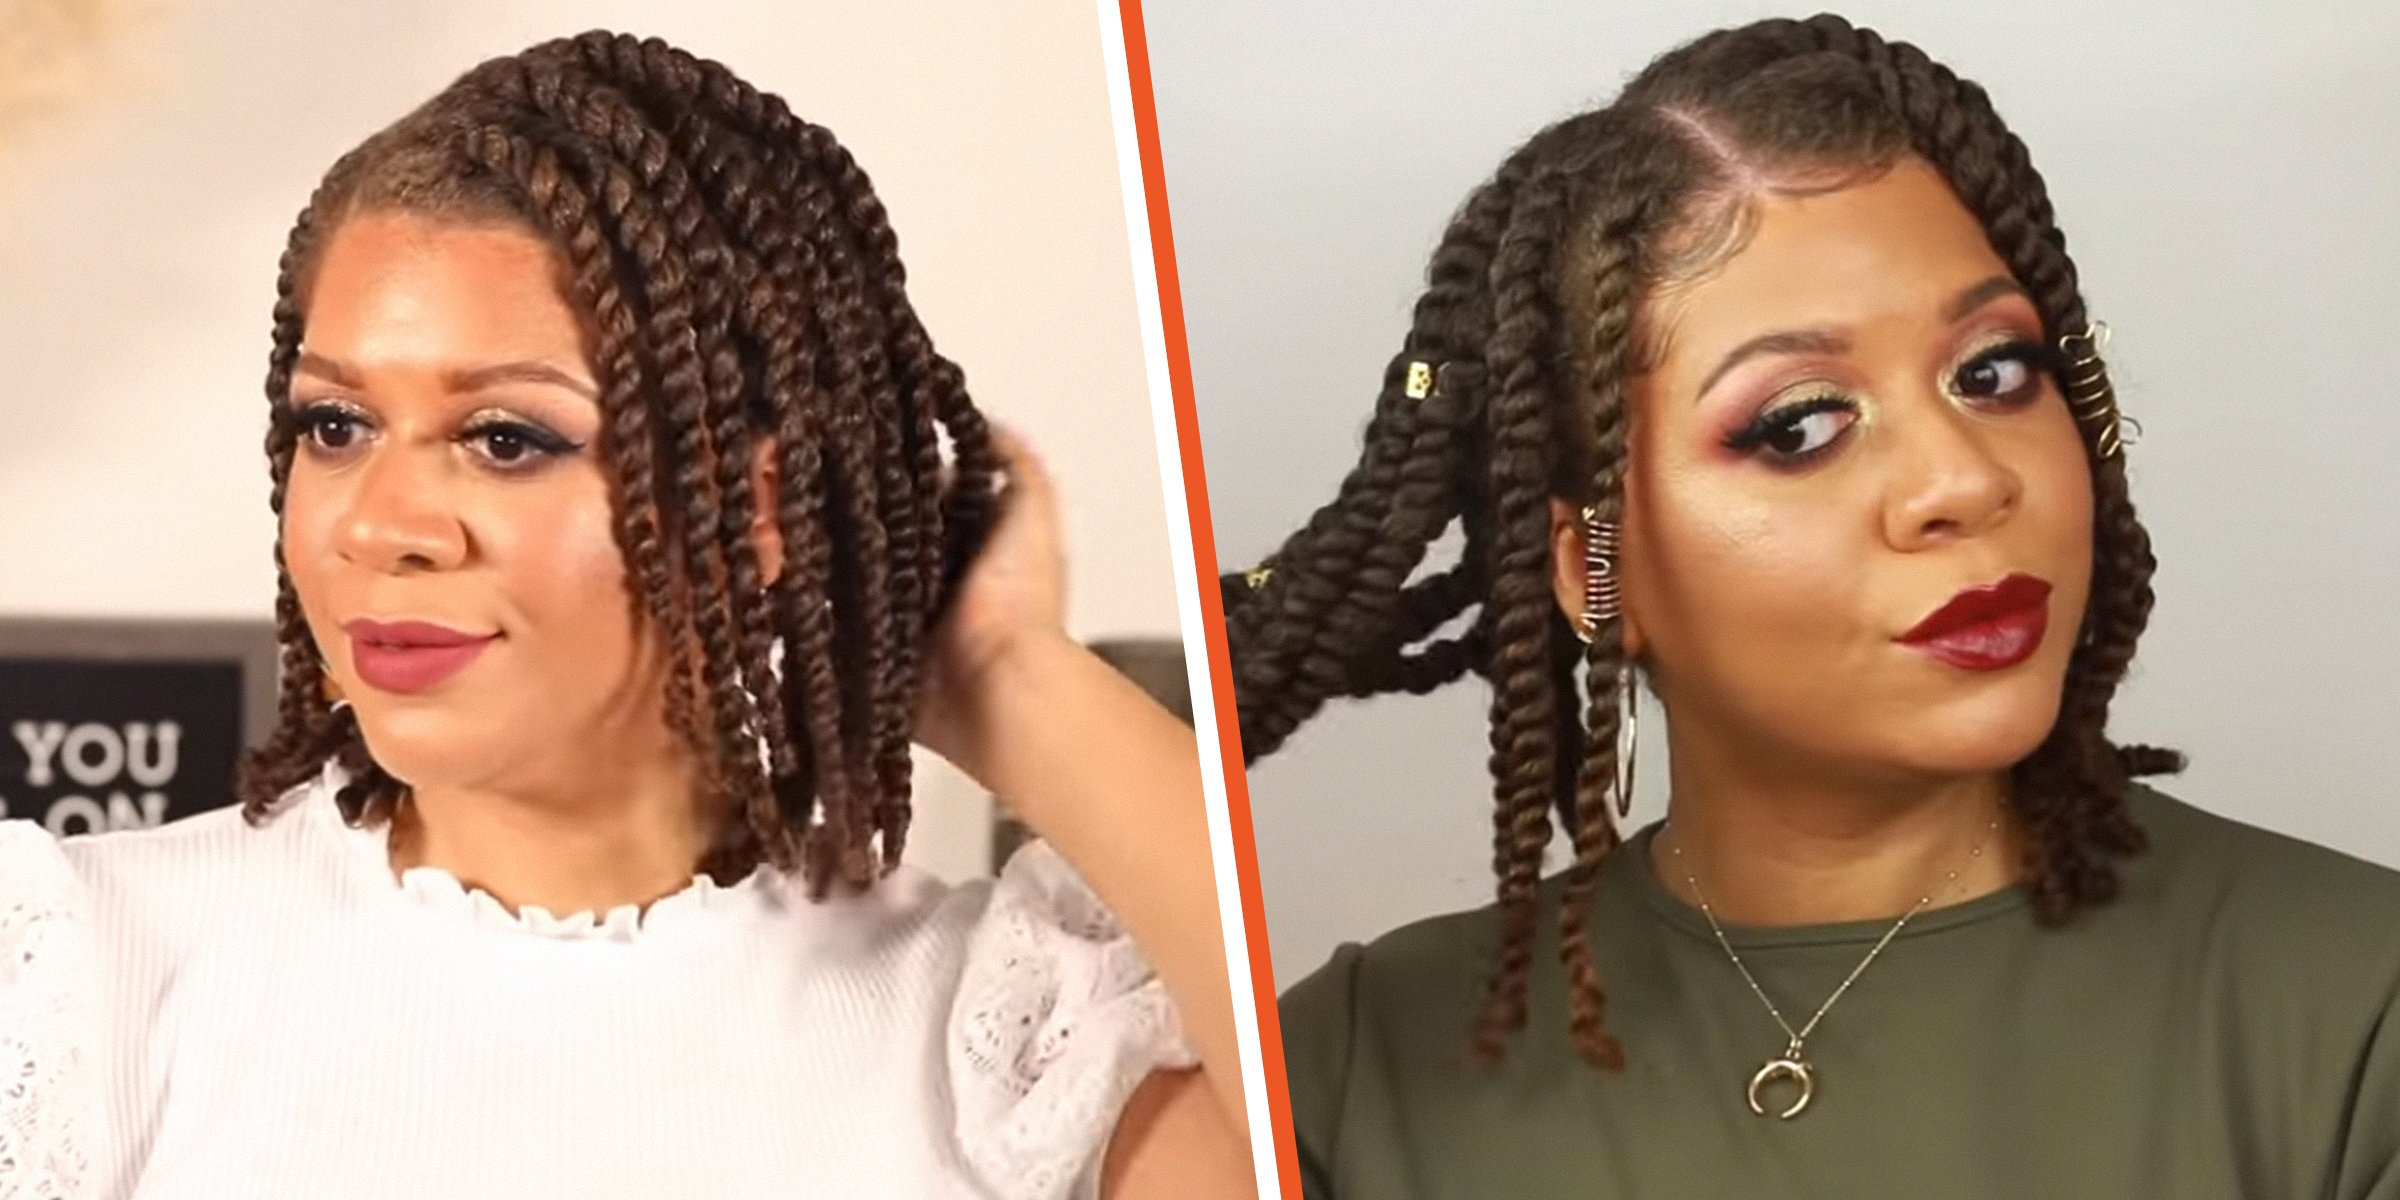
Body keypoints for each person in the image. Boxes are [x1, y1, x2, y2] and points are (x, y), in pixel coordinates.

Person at [0, 31, 1254, 1200]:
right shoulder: (79, 973)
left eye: (504, 438)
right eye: (336, 425)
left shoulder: (999, 1035)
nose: (379, 524)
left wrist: (1004, 673)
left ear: (752, 505)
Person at [1218, 14, 2400, 1198]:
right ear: (1595, 567)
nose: (1965, 478)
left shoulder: (2357, 1011)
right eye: (1799, 425)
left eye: (1994, 372)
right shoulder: (1353, 1074)